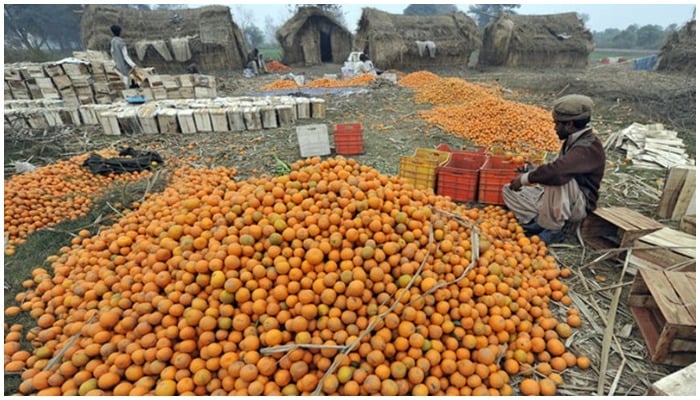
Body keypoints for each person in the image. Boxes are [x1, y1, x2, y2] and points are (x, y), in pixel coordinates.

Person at [502, 94, 606, 244]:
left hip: (579, 204)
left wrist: (525, 179)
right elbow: (558, 167)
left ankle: (554, 230)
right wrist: (533, 169)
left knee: (556, 178)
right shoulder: (572, 141)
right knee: (508, 190)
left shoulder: (588, 147)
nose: (555, 128)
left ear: (569, 124)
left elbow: (558, 171)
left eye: (557, 124)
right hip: (561, 198)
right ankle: (541, 220)